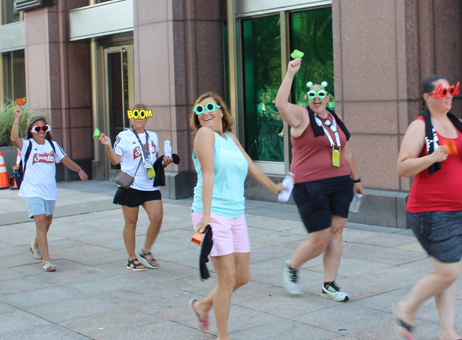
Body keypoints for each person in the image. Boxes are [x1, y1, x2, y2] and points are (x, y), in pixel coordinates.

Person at [188, 92, 286, 340]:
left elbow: (251, 165)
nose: (205, 113)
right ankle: (223, 336)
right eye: (199, 111)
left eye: (210, 107)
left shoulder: (229, 138)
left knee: (242, 276)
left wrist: (274, 187)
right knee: (228, 279)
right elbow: (208, 174)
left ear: (221, 110)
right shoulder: (204, 134)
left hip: (236, 213)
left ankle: (202, 306)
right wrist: (207, 214)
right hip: (212, 214)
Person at [395, 75, 462, 340]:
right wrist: (432, 157)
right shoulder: (420, 126)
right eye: (443, 91)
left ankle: (449, 332)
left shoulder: (458, 124)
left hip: (460, 210)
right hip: (430, 211)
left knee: (447, 271)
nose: (449, 96)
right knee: (448, 271)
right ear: (427, 97)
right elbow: (402, 167)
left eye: (452, 91)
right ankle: (407, 307)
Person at [275, 58, 365, 301]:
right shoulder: (301, 116)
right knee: (320, 238)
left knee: (336, 231)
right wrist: (290, 73)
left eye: (321, 94)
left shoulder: (334, 119)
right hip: (310, 185)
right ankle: (291, 267)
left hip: (340, 184)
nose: (317, 98)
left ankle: (329, 284)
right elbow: (281, 104)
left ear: (328, 97)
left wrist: (356, 180)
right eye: (312, 94)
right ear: (308, 97)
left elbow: (346, 151)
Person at [10, 106, 88, 272]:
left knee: (47, 222)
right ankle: (46, 261)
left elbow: (65, 160)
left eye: (44, 127)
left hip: (49, 190)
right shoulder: (26, 145)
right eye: (37, 128)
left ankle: (34, 245)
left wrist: (80, 169)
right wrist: (17, 118)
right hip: (32, 190)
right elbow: (14, 138)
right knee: (40, 222)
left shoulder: (52, 145)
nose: (41, 131)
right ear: (31, 130)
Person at [98, 103, 173, 271]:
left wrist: (165, 162)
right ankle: (131, 258)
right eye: (135, 114)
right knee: (131, 222)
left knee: (157, 218)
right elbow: (115, 161)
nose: (139, 117)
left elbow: (153, 160)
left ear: (147, 116)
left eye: (142, 114)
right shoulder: (123, 136)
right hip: (131, 185)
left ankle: (146, 251)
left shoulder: (153, 136)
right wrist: (108, 146)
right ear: (131, 116)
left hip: (150, 185)